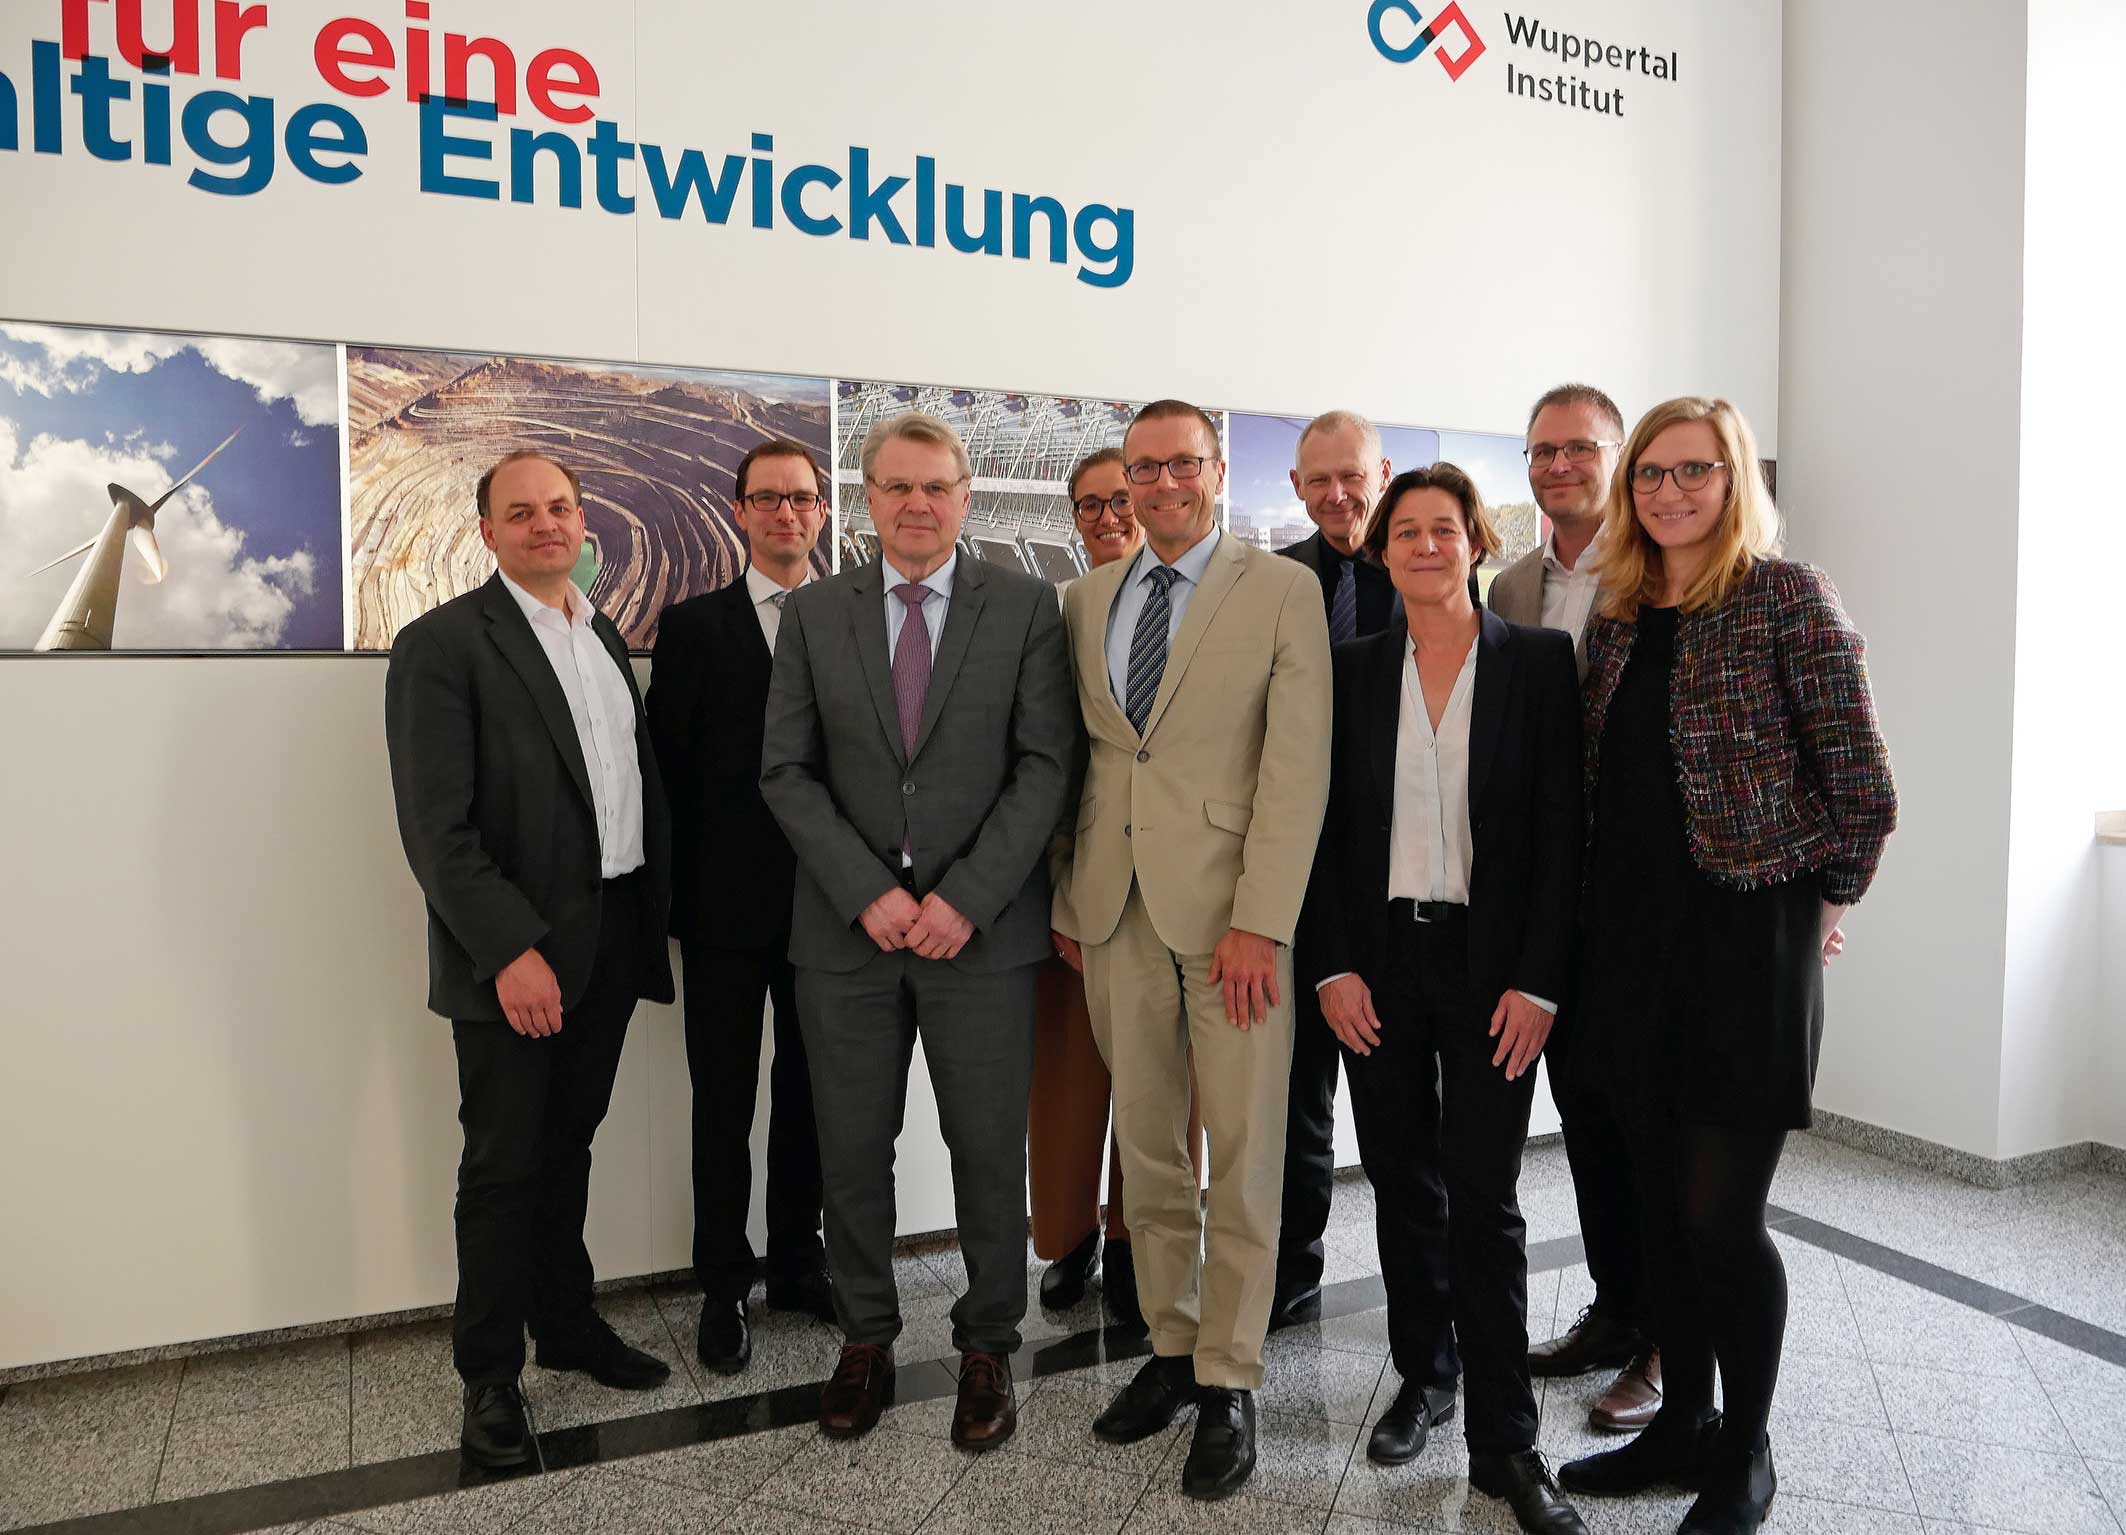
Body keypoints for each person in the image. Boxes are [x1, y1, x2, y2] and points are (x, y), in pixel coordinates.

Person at [1556, 398, 1896, 1535]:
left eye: (1692, 470)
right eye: (1650, 474)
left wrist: (1815, 909)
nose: (1668, 491)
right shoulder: (1616, 615)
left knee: (1718, 1218)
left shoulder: (1787, 597)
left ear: (1733, 477)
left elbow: (1862, 789)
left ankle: (1743, 1450)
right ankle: (1679, 1427)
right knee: (1657, 1211)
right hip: (1627, 949)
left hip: (1746, 954)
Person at [760, 412, 1079, 1450]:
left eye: (935, 486)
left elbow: (1045, 764)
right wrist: (867, 890)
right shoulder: (815, 613)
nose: (916, 504)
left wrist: (966, 897)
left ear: (965, 495)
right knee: (852, 1150)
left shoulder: (1025, 606)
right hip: (846, 934)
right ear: (868, 498)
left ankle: (988, 1344)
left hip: (980, 936)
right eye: (896, 486)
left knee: (986, 1148)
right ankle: (866, 1338)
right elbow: (785, 770)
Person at [1052, 399, 1330, 1500]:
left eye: (1181, 463)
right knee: (1150, 1147)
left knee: (1245, 1150)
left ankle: (1229, 1373)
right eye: (1143, 466)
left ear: (1215, 471)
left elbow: (1296, 768)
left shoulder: (1282, 590)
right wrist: (1071, 897)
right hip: (1114, 909)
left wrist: (1263, 918)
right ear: (1124, 480)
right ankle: (1170, 1347)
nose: (1161, 483)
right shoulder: (1085, 597)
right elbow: (1087, 759)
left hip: (1233, 925)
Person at [1303, 465, 1586, 1533]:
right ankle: (1425, 1374)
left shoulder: (1537, 663)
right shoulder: (1349, 669)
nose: (1425, 545)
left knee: (1484, 1195)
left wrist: (1539, 980)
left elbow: (1562, 835)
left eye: (1444, 528)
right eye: (1406, 531)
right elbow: (1320, 828)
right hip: (1377, 962)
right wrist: (1331, 966)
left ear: (1476, 541)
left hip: (1492, 968)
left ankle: (1505, 1438)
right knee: (1398, 1179)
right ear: (1382, 552)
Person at [384, 450, 676, 1470]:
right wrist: (509, 950)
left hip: (608, 940)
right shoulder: (442, 645)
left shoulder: (601, 634)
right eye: (522, 512)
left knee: (568, 1147)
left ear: (583, 520)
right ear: (487, 531)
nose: (546, 524)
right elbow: (437, 829)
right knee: (503, 1166)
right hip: (514, 959)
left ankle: (567, 1322)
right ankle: (489, 1374)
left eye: (560, 507)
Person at [1491, 383, 1660, 1433]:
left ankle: (1665, 1340)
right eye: (1541, 450)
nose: (1558, 465)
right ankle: (1614, 1309)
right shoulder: (1511, 584)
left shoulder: (1660, 571)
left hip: (1642, 897)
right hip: (1554, 897)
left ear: (1617, 453)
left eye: (1578, 448)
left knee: (1647, 1130)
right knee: (1587, 1118)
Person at [646, 439, 836, 1378]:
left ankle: (799, 1260)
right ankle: (724, 1283)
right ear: (740, 511)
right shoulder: (693, 628)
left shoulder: (855, 619)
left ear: (822, 511)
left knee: (813, 1095)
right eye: (768, 498)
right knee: (722, 1101)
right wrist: (671, 910)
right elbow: (667, 775)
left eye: (800, 497)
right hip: (722, 913)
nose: (785, 513)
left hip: (833, 908)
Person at [1030, 447, 1203, 1330]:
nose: (1108, 517)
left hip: (1181, 887)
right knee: (1070, 1079)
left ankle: (1142, 1244)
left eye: (1119, 499)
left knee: (1165, 1084)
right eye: (1089, 505)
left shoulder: (1209, 606)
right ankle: (1069, 1240)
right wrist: (1059, 886)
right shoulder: (1063, 611)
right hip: (1086, 879)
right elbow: (1050, 760)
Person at [1271, 409, 1406, 1329]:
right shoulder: (1276, 582)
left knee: (1402, 1119)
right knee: (1296, 1106)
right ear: (1296, 487)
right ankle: (1293, 1268)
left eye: (1351, 475)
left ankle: (1422, 1297)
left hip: (1400, 889)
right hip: (1295, 878)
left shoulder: (1430, 570)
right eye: (1318, 480)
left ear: (1381, 473)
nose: (1337, 494)